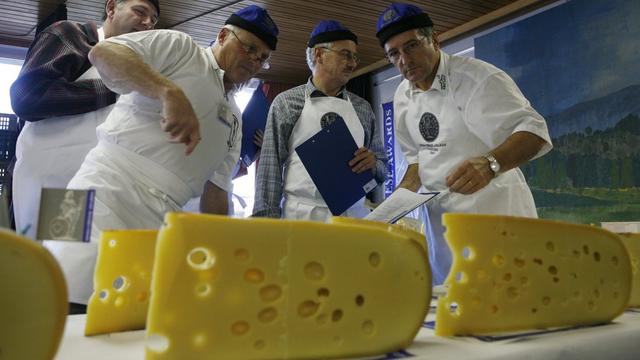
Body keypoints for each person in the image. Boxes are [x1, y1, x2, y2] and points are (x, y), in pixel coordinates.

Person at [63, 4, 278, 306]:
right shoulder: (182, 48)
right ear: (222, 35)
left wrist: (223, 253)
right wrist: (168, 92)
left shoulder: (234, 118)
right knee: (62, 294)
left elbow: (217, 192)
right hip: (98, 187)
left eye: (263, 58)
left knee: (124, 321)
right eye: (250, 48)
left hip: (157, 221)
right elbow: (104, 53)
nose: (255, 60)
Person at [375, 3, 553, 284]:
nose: (404, 60)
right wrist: (394, 206)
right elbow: (416, 162)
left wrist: (490, 164)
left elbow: (534, 132)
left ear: (434, 40)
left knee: (507, 303)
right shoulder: (401, 96)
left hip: (494, 218)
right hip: (442, 227)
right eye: (393, 54)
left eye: (411, 46)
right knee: (450, 310)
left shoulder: (477, 78)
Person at [9, 0, 160, 313]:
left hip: (102, 189)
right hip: (60, 189)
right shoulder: (71, 36)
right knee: (56, 284)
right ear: (111, 7)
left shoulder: (136, 66)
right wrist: (113, 90)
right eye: (141, 11)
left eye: (154, 19)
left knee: (87, 286)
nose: (147, 23)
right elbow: (28, 98)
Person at [253, 20, 387, 221]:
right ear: (318, 54)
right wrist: (266, 225)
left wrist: (373, 163)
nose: (352, 63)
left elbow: (383, 169)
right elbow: (269, 172)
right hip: (301, 220)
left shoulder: (362, 108)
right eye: (345, 54)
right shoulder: (287, 103)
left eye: (354, 57)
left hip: (353, 220)